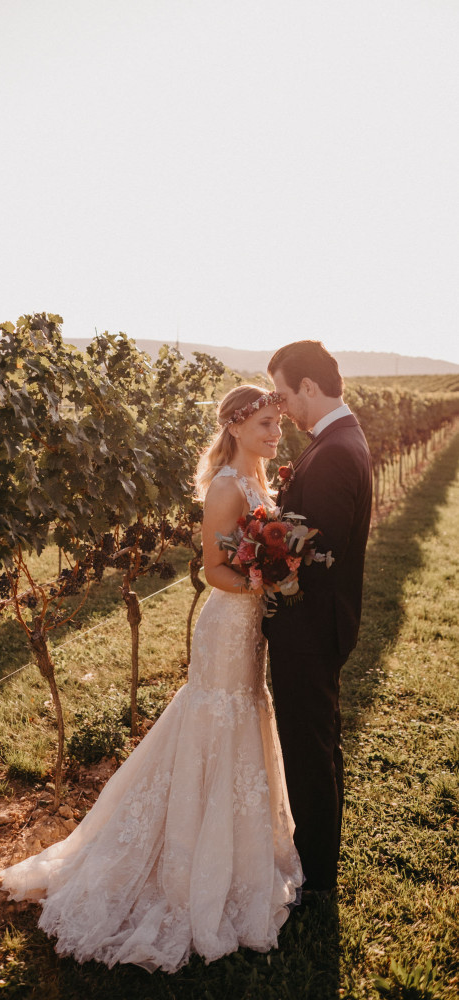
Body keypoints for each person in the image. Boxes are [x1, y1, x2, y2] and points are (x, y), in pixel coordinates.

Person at [0, 384, 304, 973]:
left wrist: (275, 571)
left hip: (251, 626)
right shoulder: (224, 488)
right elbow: (215, 570)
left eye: (278, 425)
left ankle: (236, 853)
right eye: (265, 424)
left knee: (244, 713)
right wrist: (269, 581)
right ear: (237, 428)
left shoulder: (259, 481)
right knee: (216, 718)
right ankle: (181, 858)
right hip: (226, 626)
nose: (275, 434)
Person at [265, 341, 372, 898]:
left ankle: (317, 880)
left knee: (308, 747)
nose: (281, 408)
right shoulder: (337, 440)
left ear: (308, 386)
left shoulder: (333, 450)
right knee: (318, 741)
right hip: (317, 625)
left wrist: (263, 552)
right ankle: (319, 865)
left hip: (309, 626)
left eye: (283, 394)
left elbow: (318, 553)